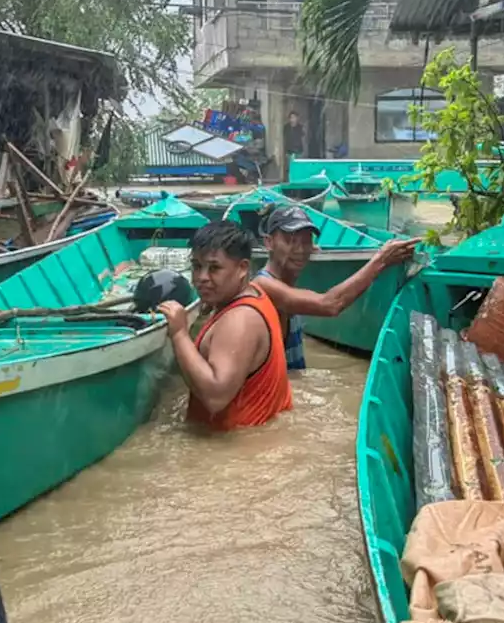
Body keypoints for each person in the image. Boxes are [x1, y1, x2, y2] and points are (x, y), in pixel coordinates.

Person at [157, 221, 293, 431]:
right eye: (196, 266)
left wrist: (180, 333)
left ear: (242, 268)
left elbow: (216, 397)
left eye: (214, 268)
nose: (202, 278)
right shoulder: (253, 292)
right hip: (258, 437)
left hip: (236, 448)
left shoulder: (240, 319)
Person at [254, 205, 420, 370]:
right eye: (291, 240)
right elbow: (329, 304)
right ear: (269, 242)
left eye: (306, 241)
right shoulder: (264, 285)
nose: (299, 249)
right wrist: (380, 261)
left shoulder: (286, 281)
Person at [282, 111, 305, 181]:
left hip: (299, 151)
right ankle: (289, 181)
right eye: (291, 118)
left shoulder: (300, 127)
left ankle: (298, 180)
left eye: (294, 117)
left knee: (298, 167)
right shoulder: (286, 127)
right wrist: (285, 151)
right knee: (289, 167)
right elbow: (285, 139)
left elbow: (303, 138)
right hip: (289, 151)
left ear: (297, 118)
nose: (292, 119)